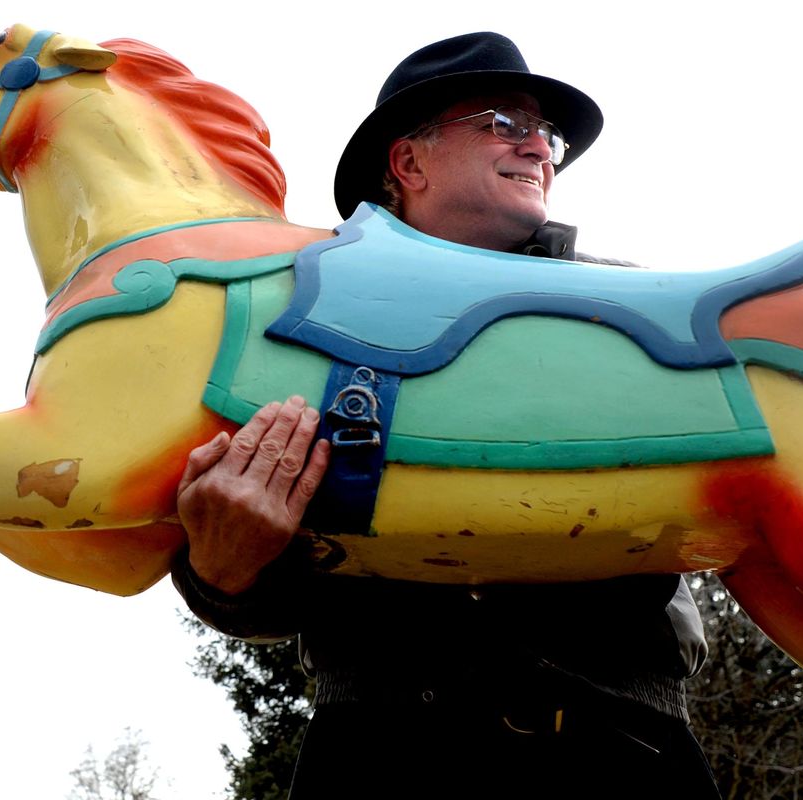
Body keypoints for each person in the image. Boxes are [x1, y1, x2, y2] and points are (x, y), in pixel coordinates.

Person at [173, 32, 721, 799]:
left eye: (548, 134)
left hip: (622, 752)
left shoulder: (640, 310)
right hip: (382, 754)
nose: (540, 147)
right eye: (504, 121)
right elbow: (247, 564)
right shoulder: (288, 325)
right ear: (410, 164)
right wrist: (221, 574)